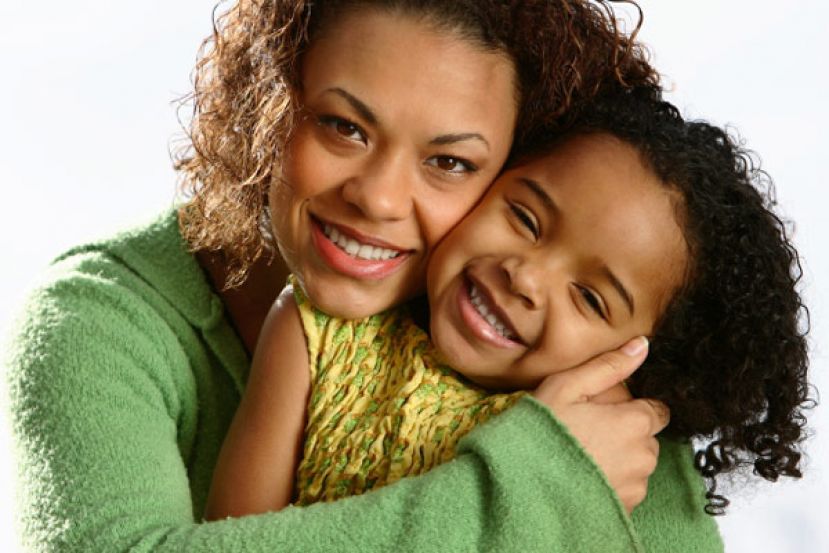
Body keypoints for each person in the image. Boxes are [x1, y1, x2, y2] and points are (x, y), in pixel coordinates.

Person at [6, 1, 714, 551]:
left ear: (512, 168)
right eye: (343, 126)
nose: (376, 197)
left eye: (450, 162)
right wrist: (522, 490)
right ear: (268, 100)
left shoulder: (574, 363)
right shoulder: (99, 318)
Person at [204, 84, 811, 533]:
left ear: (636, 358)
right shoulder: (318, 337)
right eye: (524, 217)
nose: (525, 277)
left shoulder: (605, 449)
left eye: (590, 298)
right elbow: (231, 543)